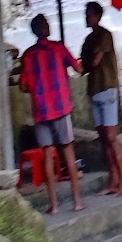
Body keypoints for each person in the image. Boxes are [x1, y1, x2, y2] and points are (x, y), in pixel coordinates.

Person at [19, 13, 84, 213]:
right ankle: (77, 201)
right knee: (68, 153)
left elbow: (23, 86)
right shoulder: (58, 48)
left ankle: (54, 205)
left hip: (42, 111)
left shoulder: (28, 55)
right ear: (46, 28)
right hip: (61, 107)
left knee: (48, 156)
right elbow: (79, 68)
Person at [80, 1, 122, 196]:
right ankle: (113, 179)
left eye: (90, 14)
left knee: (111, 137)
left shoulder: (104, 35)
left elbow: (93, 61)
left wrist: (82, 64)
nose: (87, 17)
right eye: (86, 14)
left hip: (107, 88)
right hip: (94, 89)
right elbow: (84, 65)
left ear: (97, 16)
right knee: (103, 139)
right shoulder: (87, 40)